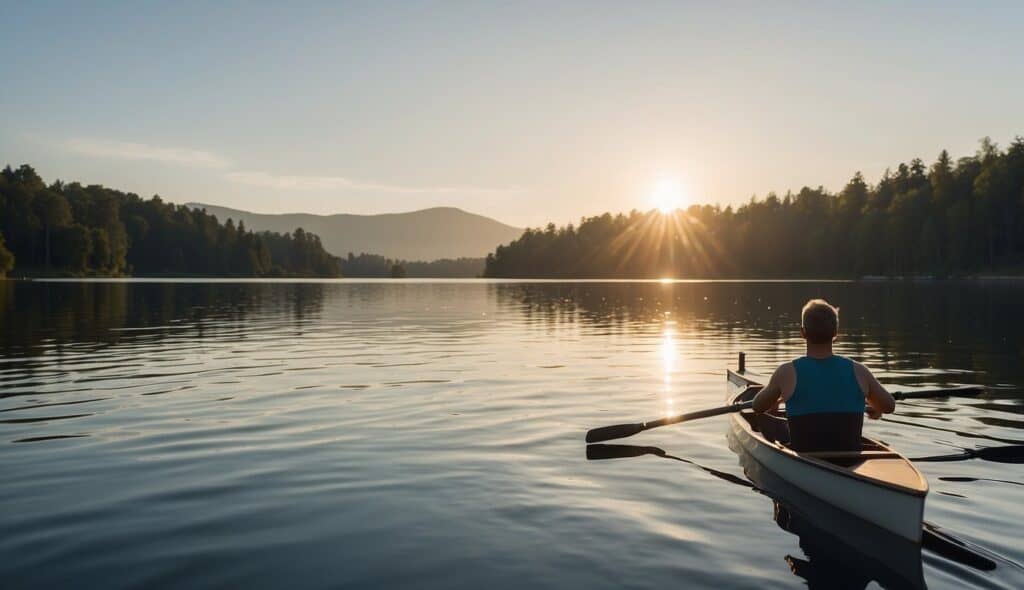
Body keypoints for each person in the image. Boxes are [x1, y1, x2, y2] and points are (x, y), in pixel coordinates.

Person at [752, 299, 895, 452]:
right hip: (849, 458)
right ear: (835, 333)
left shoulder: (786, 373)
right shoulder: (859, 371)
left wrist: (777, 400)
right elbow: (888, 406)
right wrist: (872, 404)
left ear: (802, 333)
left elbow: (757, 406)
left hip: (806, 457)